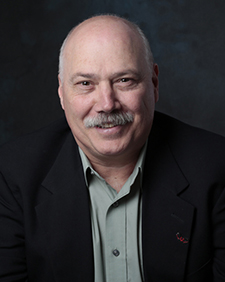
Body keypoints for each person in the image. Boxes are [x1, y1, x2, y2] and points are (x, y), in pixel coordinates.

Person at [0, 14, 225, 282]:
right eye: (86, 83)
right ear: (61, 92)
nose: (107, 104)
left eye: (124, 80)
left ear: (153, 83)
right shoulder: (13, 174)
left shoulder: (216, 166)